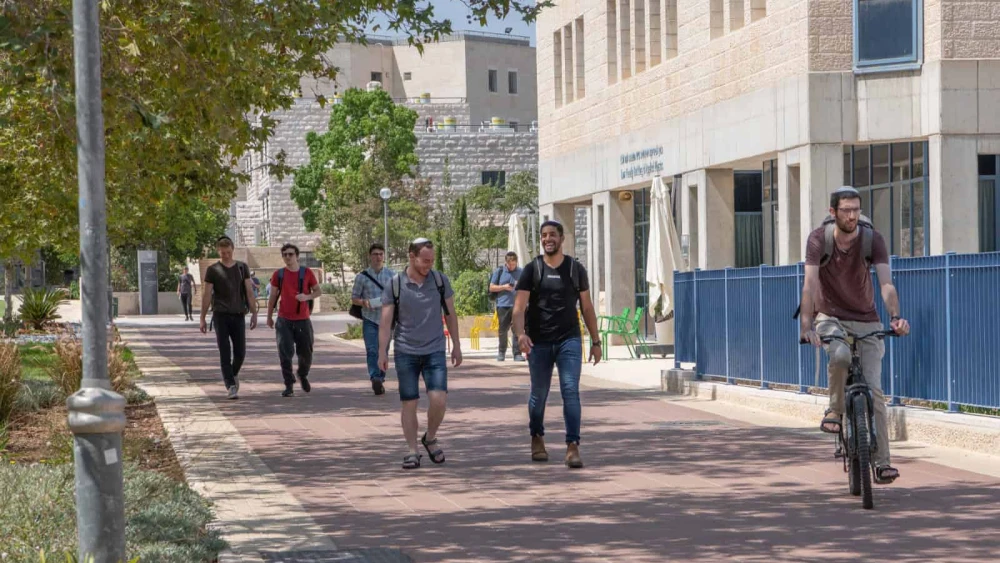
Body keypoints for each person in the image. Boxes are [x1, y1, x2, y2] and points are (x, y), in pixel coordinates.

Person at [799, 186, 910, 484]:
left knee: (874, 391)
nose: (851, 216)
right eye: (845, 210)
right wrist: (806, 327)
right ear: (833, 212)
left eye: (856, 210)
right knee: (840, 355)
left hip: (866, 319)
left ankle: (883, 463)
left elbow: (886, 284)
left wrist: (896, 317)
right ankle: (835, 410)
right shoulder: (818, 240)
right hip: (830, 316)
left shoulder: (872, 239)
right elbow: (809, 285)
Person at [513, 221, 601, 469]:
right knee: (538, 394)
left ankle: (573, 446)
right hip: (538, 342)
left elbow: (586, 307)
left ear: (562, 238)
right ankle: (537, 436)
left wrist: (596, 341)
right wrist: (521, 335)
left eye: (552, 235)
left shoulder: (575, 269)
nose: (547, 239)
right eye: (543, 235)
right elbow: (519, 309)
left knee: (570, 390)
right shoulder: (533, 269)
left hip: (569, 340)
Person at [378, 238, 462, 470]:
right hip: (406, 351)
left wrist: (456, 344)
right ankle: (412, 450)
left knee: (439, 400)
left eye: (431, 261)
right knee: (409, 403)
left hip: (435, 350)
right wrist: (382, 352)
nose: (428, 265)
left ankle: (430, 438)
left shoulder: (439, 280)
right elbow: (385, 323)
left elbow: (451, 314)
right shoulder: (395, 284)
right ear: (411, 256)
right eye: (425, 261)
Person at [200, 236, 258, 400]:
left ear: (232, 249)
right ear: (218, 251)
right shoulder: (213, 270)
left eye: (228, 252)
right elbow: (206, 295)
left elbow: (248, 291)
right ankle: (230, 386)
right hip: (220, 316)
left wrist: (254, 313)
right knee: (224, 351)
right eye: (222, 252)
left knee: (240, 352)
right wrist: (202, 318)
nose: (225, 255)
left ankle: (232, 375)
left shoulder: (241, 267)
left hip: (238, 315)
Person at [267, 243, 321, 397]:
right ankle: (289, 384)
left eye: (290, 254)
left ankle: (302, 374)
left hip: (303, 319)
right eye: (284, 254)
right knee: (285, 352)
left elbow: (318, 291)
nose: (288, 257)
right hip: (284, 319)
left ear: (297, 256)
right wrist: (270, 316)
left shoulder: (307, 273)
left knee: (306, 352)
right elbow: (272, 297)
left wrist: (307, 296)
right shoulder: (279, 274)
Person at [351, 243, 395, 395]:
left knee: (384, 350)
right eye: (375, 254)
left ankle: (381, 378)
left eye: (380, 254)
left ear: (384, 256)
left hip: (387, 320)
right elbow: (354, 298)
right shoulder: (362, 277)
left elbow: (398, 295)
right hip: (370, 319)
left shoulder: (392, 276)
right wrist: (364, 302)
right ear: (370, 256)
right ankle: (375, 377)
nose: (378, 257)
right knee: (371, 349)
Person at [489, 251, 524, 362]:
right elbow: (491, 288)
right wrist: (504, 287)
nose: (512, 267)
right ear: (506, 262)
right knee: (503, 330)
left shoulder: (521, 272)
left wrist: (520, 285)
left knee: (517, 329)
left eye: (514, 264)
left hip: (517, 305)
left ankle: (517, 353)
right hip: (503, 305)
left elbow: (527, 287)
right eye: (510, 265)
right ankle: (501, 352)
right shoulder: (499, 271)